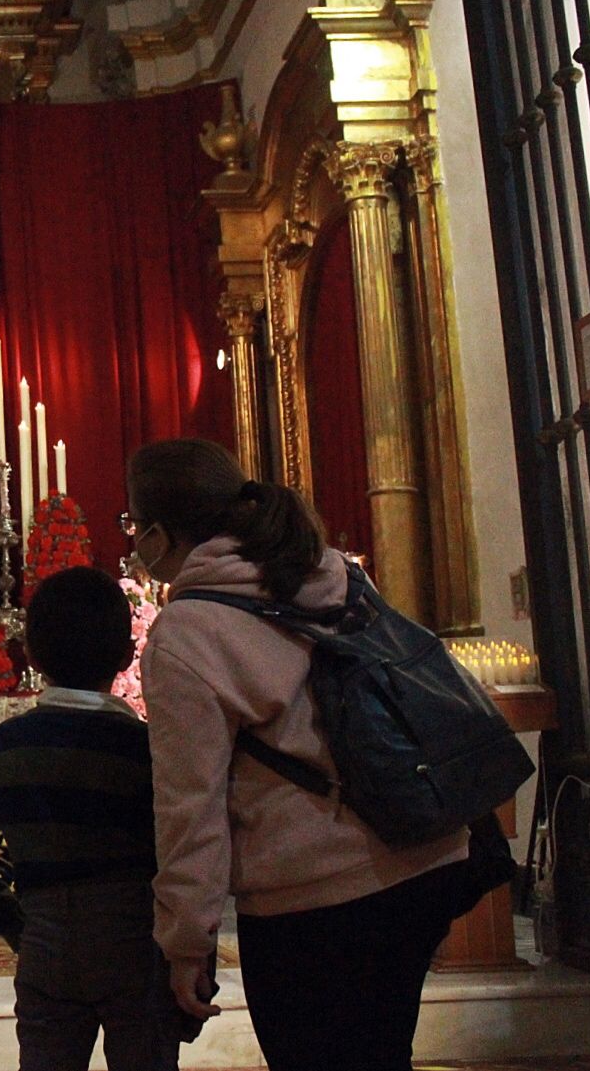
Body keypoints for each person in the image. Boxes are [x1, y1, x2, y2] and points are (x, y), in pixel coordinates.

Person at [127, 437, 472, 1071]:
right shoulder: (331, 570)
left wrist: (186, 940)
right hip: (423, 856)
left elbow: (190, 805)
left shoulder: (186, 634)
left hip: (313, 899)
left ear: (156, 533)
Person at [0, 566, 184, 1071]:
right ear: (125, 654)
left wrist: (15, 925)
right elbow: (179, 851)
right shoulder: (144, 749)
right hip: (133, 945)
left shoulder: (10, 743)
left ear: (30, 654)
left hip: (45, 942)